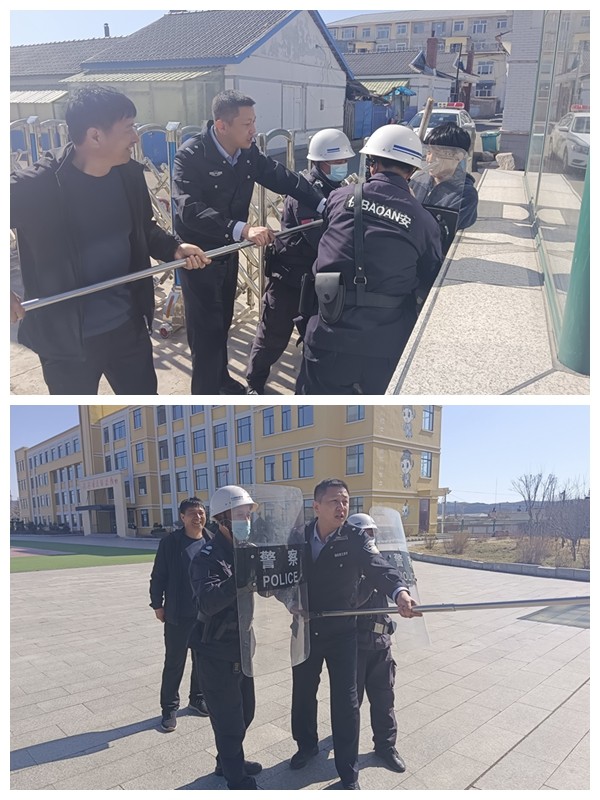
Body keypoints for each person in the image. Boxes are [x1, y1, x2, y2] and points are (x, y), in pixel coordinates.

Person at [10, 85, 210, 395]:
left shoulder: (128, 174)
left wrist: (174, 247)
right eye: (129, 128)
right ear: (95, 136)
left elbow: (143, 229)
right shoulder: (39, 185)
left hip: (127, 327)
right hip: (66, 342)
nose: (136, 138)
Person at [171, 89, 326, 395]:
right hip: (199, 258)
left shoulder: (247, 154)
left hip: (230, 254)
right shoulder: (190, 156)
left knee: (223, 322)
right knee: (205, 334)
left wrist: (323, 204)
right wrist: (241, 229)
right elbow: (188, 209)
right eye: (247, 124)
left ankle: (222, 380)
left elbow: (282, 178)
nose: (254, 130)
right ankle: (205, 393)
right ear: (222, 125)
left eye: (254, 122)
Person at [290, 479, 420, 790]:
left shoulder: (355, 537)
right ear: (316, 506)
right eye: (334, 501)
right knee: (303, 693)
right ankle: (306, 746)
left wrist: (400, 593)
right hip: (306, 629)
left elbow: (379, 566)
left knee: (346, 703)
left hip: (342, 633)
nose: (342, 507)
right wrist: (286, 599)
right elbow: (281, 574)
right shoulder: (298, 537)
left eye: (345, 501)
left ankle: (348, 775)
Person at [296, 124, 443, 395]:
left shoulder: (339, 197)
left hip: (329, 331)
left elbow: (329, 239)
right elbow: (431, 271)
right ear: (412, 171)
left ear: (372, 164)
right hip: (385, 343)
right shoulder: (423, 220)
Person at [245, 129, 355, 394]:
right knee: (272, 336)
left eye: (344, 160)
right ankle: (254, 383)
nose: (343, 165)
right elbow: (321, 240)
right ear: (320, 162)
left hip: (318, 280)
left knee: (315, 337)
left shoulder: (339, 189)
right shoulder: (304, 192)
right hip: (290, 279)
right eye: (337, 161)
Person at [188, 486, 263, 790]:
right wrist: (240, 577)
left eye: (248, 515)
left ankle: (227, 760)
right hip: (215, 649)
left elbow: (266, 584)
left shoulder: (247, 550)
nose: (246, 520)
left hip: (242, 646)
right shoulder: (205, 557)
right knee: (229, 720)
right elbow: (207, 602)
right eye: (240, 514)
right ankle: (236, 779)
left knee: (245, 712)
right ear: (222, 519)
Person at [347, 513, 405, 773]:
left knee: (384, 699)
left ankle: (386, 746)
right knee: (351, 704)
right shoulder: (346, 566)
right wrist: (371, 576)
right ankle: (347, 748)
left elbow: (396, 585)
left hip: (381, 644)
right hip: (355, 646)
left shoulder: (381, 563)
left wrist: (400, 583)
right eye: (364, 535)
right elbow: (352, 600)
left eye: (372, 534)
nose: (369, 540)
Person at [149, 498, 212, 732]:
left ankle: (197, 698)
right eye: (193, 513)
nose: (198, 517)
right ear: (182, 517)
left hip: (206, 613)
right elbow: (158, 575)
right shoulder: (171, 543)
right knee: (174, 662)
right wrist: (157, 604)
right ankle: (169, 708)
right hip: (178, 613)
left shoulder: (211, 539)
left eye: (201, 513)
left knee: (202, 660)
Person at [409, 122, 479, 233]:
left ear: (458, 156)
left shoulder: (466, 194)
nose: (429, 159)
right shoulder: (418, 180)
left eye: (438, 153)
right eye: (429, 152)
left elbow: (442, 232)